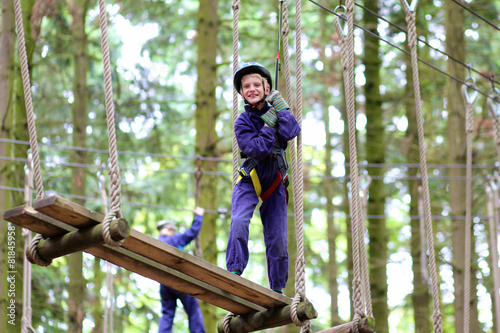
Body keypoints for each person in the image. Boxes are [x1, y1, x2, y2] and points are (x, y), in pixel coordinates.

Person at [226, 62, 301, 294]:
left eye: (256, 85)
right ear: (241, 92)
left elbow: (291, 133)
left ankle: (277, 287)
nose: (252, 89)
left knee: (277, 236)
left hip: (275, 180)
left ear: (266, 89)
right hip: (251, 178)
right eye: (246, 86)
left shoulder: (278, 111)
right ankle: (235, 271)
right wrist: (269, 125)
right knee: (239, 222)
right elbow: (257, 149)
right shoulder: (242, 122)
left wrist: (283, 109)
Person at [157, 207, 206, 333]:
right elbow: (191, 233)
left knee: (167, 314)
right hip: (177, 280)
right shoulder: (172, 240)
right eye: (173, 230)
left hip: (164, 284)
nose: (174, 233)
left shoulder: (157, 243)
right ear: (168, 230)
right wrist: (199, 216)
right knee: (193, 309)